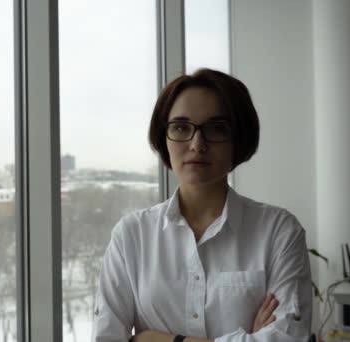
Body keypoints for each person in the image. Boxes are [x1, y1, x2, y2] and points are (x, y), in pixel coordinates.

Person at [91, 68, 312, 342]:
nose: (197, 144)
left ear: (238, 139)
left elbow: (289, 338)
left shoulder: (278, 232)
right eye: (181, 127)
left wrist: (160, 340)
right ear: (164, 138)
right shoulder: (131, 236)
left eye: (216, 129)